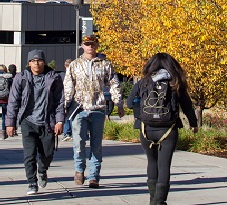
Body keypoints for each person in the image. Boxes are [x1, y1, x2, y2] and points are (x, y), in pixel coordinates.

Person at [128, 53, 198, 205]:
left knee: (151, 162)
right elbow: (187, 105)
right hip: (168, 129)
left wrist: (138, 113)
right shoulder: (175, 83)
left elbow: (129, 102)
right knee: (164, 165)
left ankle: (153, 198)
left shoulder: (143, 82)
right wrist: (193, 123)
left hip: (146, 128)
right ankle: (159, 201)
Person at [63, 35, 125, 189]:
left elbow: (113, 83)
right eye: (87, 44)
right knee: (79, 143)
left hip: (97, 108)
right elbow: (68, 85)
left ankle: (94, 176)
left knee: (96, 145)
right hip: (79, 109)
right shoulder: (75, 65)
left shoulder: (105, 64)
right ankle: (79, 169)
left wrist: (118, 102)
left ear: (96, 45)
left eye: (92, 44)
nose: (90, 47)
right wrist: (65, 105)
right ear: (82, 46)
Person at [5, 49, 65, 195]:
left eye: (39, 60)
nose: (36, 63)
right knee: (29, 154)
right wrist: (10, 122)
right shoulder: (21, 78)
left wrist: (59, 121)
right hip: (28, 121)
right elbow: (13, 101)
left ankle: (42, 170)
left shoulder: (54, 78)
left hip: (47, 121)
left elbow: (59, 101)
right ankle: (31, 182)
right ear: (29, 63)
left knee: (47, 153)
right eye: (33, 61)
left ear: (44, 62)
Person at [61, 59, 73, 141]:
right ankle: (70, 133)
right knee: (72, 116)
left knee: (66, 116)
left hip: (65, 97)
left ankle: (67, 133)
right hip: (72, 98)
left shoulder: (61, 75)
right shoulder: (75, 74)